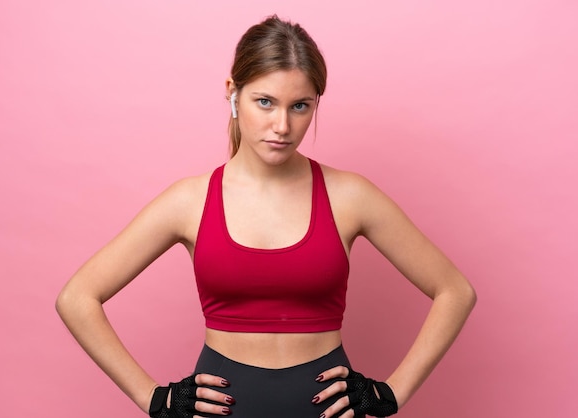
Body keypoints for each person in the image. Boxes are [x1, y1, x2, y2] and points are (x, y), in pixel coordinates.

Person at [56, 15, 476, 418]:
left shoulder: (350, 195)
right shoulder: (190, 200)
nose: (282, 125)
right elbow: (77, 298)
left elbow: (454, 290)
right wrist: (155, 399)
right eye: (265, 102)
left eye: (300, 106)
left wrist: (390, 393)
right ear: (232, 93)